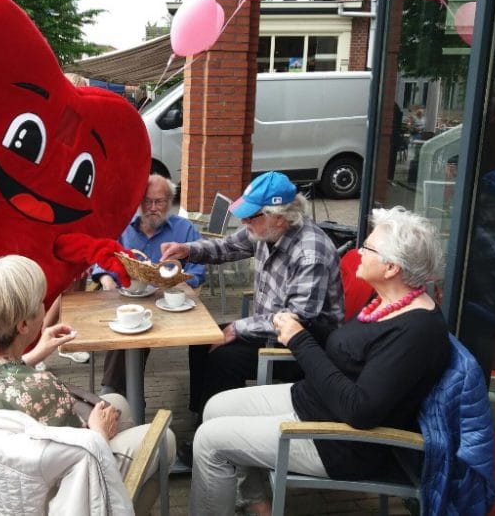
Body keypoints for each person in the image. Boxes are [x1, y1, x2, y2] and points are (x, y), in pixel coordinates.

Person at [188, 207, 451, 516]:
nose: (358, 252)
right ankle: (258, 503)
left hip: (340, 442)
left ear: (392, 267)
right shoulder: (387, 302)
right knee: (215, 407)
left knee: (209, 442)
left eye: (367, 247)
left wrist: (299, 339)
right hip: (314, 402)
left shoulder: (416, 332)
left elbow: (359, 410)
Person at [0, 255, 176, 496]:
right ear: (23, 325)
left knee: (117, 402)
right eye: (40, 302)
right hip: (44, 496)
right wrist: (100, 432)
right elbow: (82, 458)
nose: (45, 306)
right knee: (164, 438)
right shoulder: (39, 388)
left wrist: (34, 354)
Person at [160, 171, 343, 419]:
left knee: (223, 359)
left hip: (302, 346)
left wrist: (237, 328)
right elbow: (226, 246)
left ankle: (223, 432)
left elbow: (296, 319)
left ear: (279, 218)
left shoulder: (311, 253)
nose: (244, 222)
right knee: (202, 340)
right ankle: (201, 416)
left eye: (250, 216)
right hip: (268, 328)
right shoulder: (264, 229)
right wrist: (186, 250)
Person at [91, 174, 205, 394]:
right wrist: (106, 281)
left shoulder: (184, 230)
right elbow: (101, 263)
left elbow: (198, 271)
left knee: (131, 334)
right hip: (124, 300)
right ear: (138, 202)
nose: (153, 207)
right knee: (128, 331)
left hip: (167, 306)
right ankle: (118, 395)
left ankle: (116, 396)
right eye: (147, 201)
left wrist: (177, 286)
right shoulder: (122, 227)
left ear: (170, 202)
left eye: (159, 201)